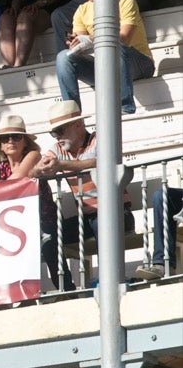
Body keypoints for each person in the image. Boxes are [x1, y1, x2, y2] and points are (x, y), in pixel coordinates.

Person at [33, 100, 134, 287]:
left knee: (101, 222)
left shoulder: (100, 138)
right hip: (87, 219)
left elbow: (104, 160)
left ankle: (111, 283)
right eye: (54, 133)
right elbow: (36, 170)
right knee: (48, 237)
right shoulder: (58, 149)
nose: (57, 137)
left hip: (119, 213)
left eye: (60, 130)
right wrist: (38, 169)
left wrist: (62, 165)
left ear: (78, 124)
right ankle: (68, 290)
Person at [55, 0, 154, 115]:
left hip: (138, 62)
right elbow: (81, 44)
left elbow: (124, 38)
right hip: (105, 66)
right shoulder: (82, 10)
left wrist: (91, 39)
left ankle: (124, 108)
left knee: (114, 47)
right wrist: (76, 43)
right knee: (63, 57)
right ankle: (72, 115)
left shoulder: (126, 2)